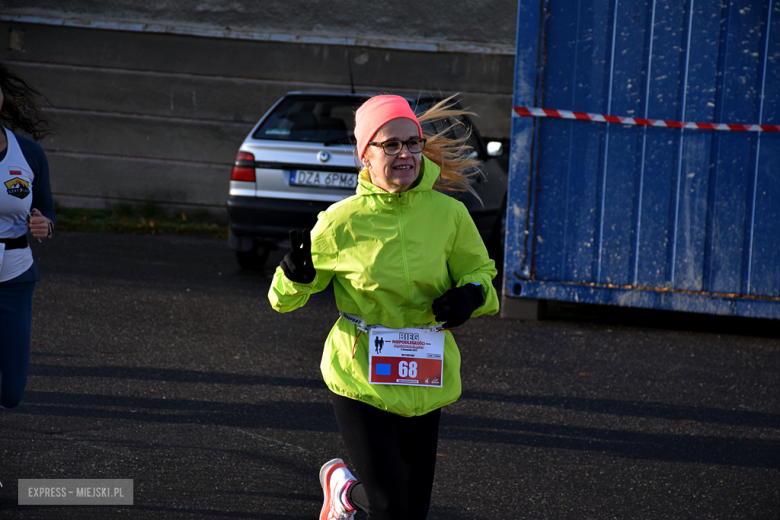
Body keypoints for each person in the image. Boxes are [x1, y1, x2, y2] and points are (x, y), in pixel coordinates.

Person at [268, 94, 499, 519]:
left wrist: (471, 295)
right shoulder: (341, 220)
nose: (405, 153)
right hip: (361, 374)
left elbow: (481, 273)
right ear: (365, 156)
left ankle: (345, 495)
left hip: (425, 371)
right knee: (390, 507)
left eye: (412, 142)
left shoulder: (449, 215)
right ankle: (348, 493)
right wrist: (294, 277)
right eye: (390, 144)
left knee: (411, 512)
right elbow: (284, 300)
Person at [0, 61, 56, 409]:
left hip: (15, 273)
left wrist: (44, 225)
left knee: (11, 393)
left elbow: (47, 210)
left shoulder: (29, 153)